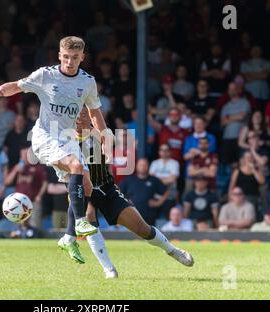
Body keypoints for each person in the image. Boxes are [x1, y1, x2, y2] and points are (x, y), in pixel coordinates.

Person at [0, 36, 111, 237]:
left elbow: (94, 112)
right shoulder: (45, 76)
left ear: (82, 57)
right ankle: (81, 222)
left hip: (68, 139)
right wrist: (3, 89)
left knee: (87, 183)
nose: (69, 62)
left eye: (74, 57)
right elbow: (19, 85)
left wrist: (104, 136)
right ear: (59, 56)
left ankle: (69, 237)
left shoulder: (87, 82)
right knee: (77, 166)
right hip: (45, 135)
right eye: (65, 57)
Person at [60, 108, 193, 278]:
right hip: (81, 189)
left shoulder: (100, 134)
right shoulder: (64, 140)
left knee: (141, 228)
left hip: (106, 187)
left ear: (91, 118)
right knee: (88, 214)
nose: (80, 119)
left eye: (84, 115)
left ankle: (172, 250)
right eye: (77, 116)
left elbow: (110, 143)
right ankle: (109, 269)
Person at [4, 145, 48, 229]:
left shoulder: (38, 167)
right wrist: (14, 171)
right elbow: (7, 182)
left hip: (33, 201)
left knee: (34, 225)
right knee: (18, 226)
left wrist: (39, 195)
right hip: (18, 202)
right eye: (22, 154)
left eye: (26, 154)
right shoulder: (18, 167)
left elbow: (45, 183)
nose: (24, 157)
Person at [120, 158, 170, 225]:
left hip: (149, 217)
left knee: (149, 235)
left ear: (148, 167)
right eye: (141, 165)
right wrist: (126, 202)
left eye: (145, 165)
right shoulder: (129, 180)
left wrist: (158, 203)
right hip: (131, 216)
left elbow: (166, 191)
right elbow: (118, 191)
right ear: (137, 166)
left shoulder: (154, 180)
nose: (143, 167)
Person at [220, 82, 251, 165]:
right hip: (227, 138)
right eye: (230, 89)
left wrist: (228, 117)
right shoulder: (225, 106)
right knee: (227, 163)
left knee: (241, 162)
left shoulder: (244, 102)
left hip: (240, 138)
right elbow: (222, 123)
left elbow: (242, 116)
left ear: (238, 90)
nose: (232, 91)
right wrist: (236, 116)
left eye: (234, 88)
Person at [228, 152, 265, 216]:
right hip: (239, 197)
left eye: (250, 157)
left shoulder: (257, 170)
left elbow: (262, 181)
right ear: (244, 159)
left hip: (253, 197)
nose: (249, 159)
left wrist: (253, 169)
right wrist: (230, 198)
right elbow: (231, 186)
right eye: (247, 157)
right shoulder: (237, 171)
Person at [149, 144, 179, 217]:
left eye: (166, 150)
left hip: (170, 195)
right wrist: (166, 179)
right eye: (162, 150)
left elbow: (173, 179)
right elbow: (151, 179)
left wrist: (158, 179)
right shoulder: (154, 163)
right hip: (156, 195)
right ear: (159, 152)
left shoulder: (175, 163)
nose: (164, 152)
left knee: (169, 217)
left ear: (170, 152)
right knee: (154, 218)